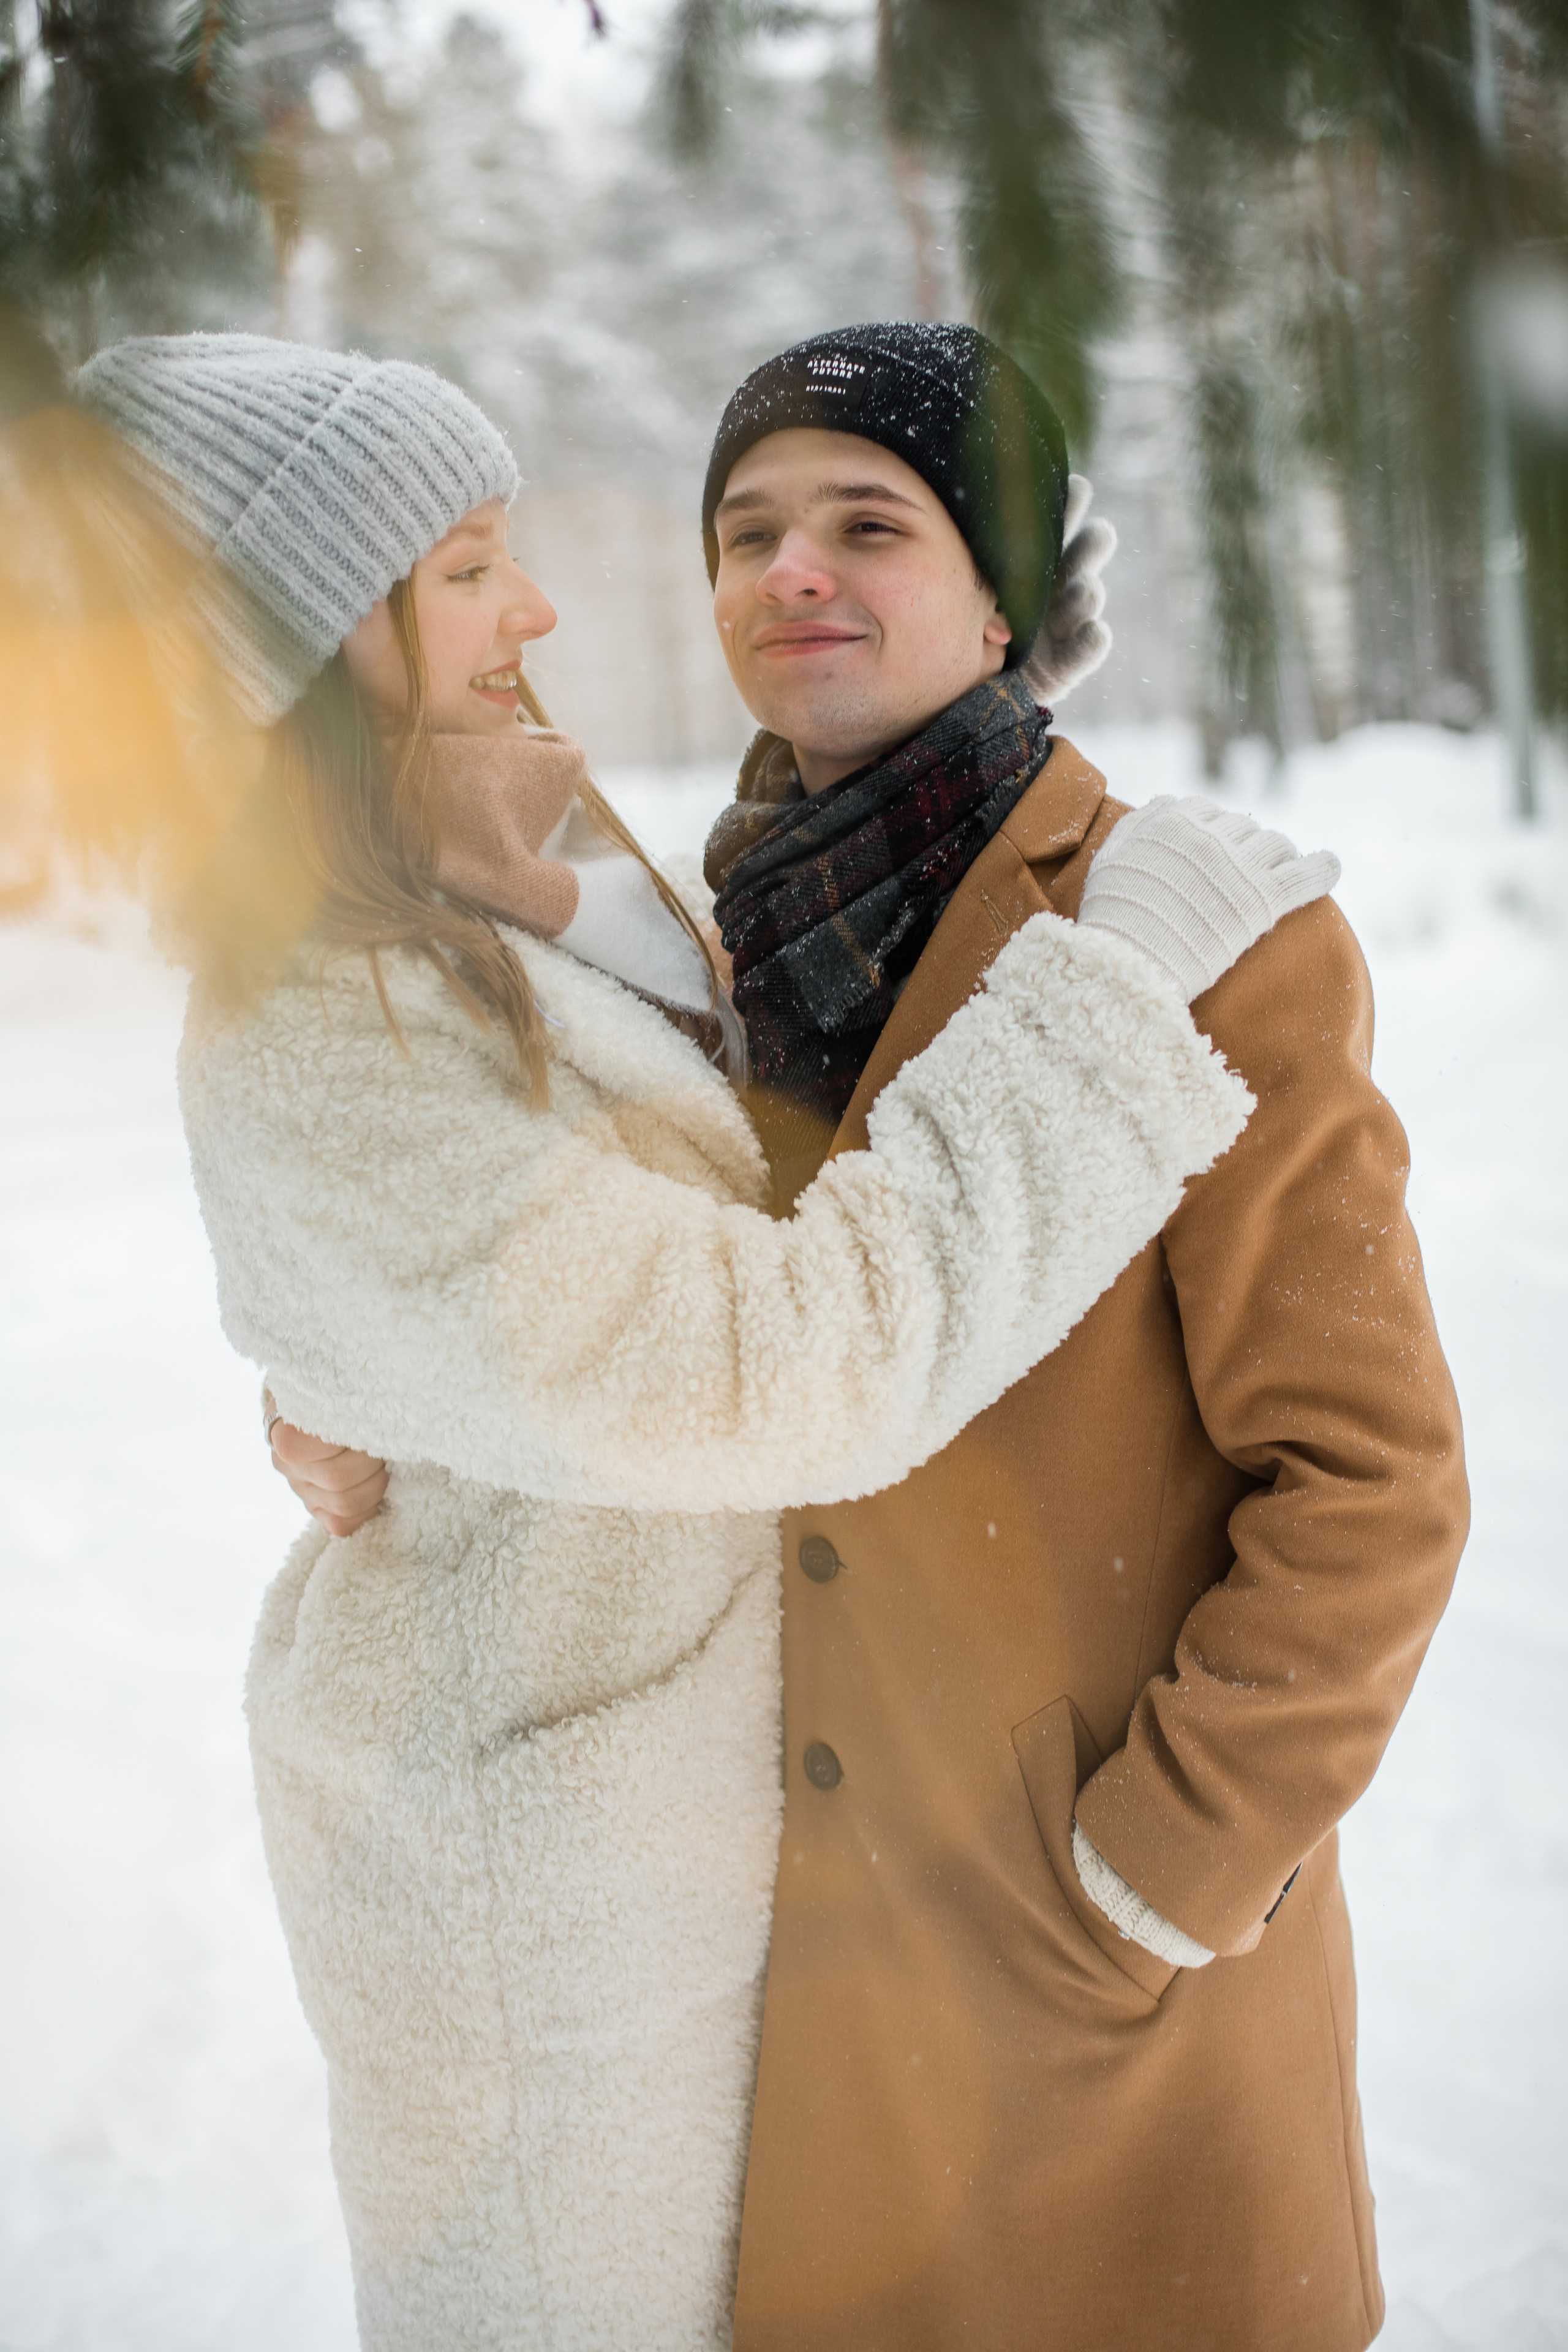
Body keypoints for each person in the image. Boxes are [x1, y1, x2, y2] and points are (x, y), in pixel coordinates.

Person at [76, 330, 1335, 2352]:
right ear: (317, 641)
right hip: (561, 1954)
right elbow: (787, 1358)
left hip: (812, 1890)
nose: (545, 603)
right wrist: (1107, 1005)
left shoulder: (549, 902)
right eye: (471, 562)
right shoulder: (337, 1014)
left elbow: (1360, 1466)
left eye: (870, 524)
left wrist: (970, 737)